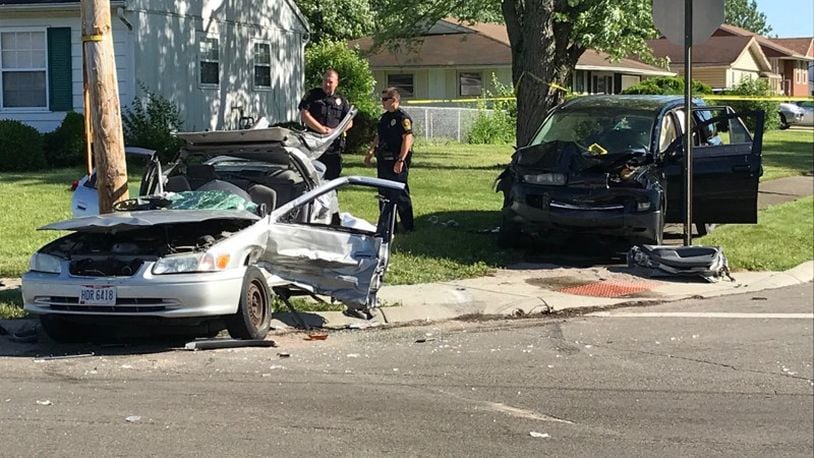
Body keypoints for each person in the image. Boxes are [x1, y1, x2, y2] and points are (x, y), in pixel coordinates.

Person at [364, 87, 414, 232]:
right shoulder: (384, 118)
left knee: (399, 193)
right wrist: (371, 152)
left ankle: (408, 225)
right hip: (384, 159)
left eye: (385, 99)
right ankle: (388, 225)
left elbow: (407, 139)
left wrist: (401, 160)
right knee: (384, 193)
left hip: (397, 159)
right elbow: (379, 136)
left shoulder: (403, 118)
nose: (382, 102)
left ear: (394, 100)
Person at [298, 69, 353, 180]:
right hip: (314, 146)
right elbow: (304, 114)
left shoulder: (341, 100)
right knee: (313, 179)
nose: (327, 84)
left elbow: (349, 121)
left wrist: (336, 131)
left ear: (336, 83)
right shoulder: (312, 95)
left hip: (333, 147)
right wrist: (322, 130)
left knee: (332, 179)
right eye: (325, 81)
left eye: (330, 82)